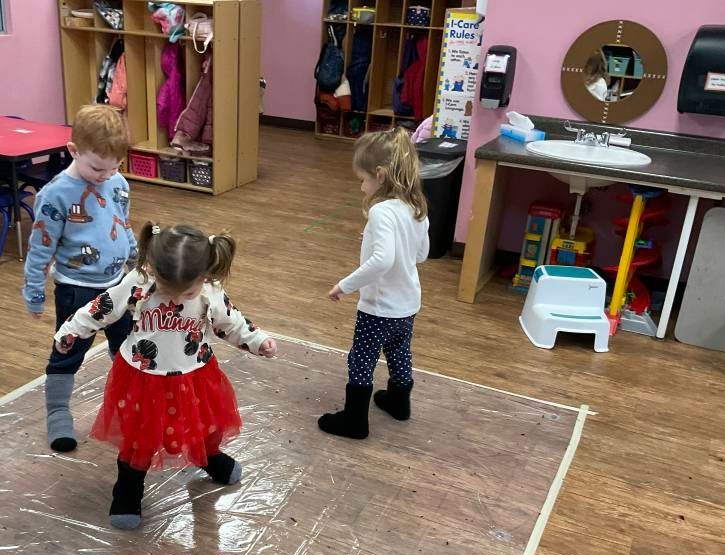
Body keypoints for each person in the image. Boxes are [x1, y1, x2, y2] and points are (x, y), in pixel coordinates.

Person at [54, 223, 278, 529]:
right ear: (154, 269)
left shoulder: (209, 290)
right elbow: (100, 308)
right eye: (167, 289)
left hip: (195, 376)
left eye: (186, 292)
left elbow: (231, 322)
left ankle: (208, 456)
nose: (175, 298)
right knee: (138, 439)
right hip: (142, 379)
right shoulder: (139, 281)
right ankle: (128, 488)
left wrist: (258, 340)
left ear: (204, 276)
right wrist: (70, 331)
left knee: (204, 425)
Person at [23, 105, 138, 454]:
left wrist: (136, 259)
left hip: (118, 287)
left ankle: (129, 406)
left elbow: (122, 222)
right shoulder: (56, 194)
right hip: (76, 290)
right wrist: (33, 292)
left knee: (130, 350)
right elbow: (40, 247)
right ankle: (58, 412)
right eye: (97, 167)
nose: (105, 175)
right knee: (67, 351)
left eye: (114, 167)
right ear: (74, 151)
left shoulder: (116, 182)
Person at [319, 128, 429, 440]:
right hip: (407, 306)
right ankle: (399, 402)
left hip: (378, 309)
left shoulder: (381, 211)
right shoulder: (417, 208)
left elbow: (382, 261)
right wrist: (373, 240)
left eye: (363, 179)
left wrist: (345, 284)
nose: (362, 186)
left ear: (380, 176)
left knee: (361, 360)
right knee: (399, 353)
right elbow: (421, 253)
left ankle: (354, 421)